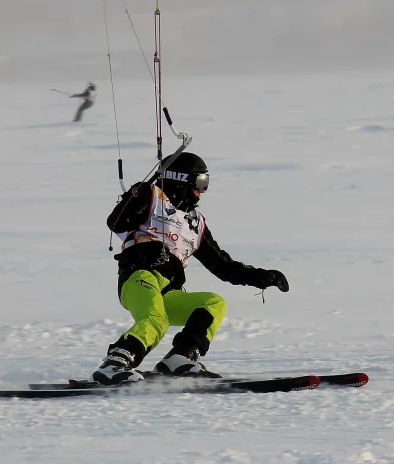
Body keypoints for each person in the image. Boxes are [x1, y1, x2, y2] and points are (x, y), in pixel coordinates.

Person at [95, 152, 290, 385]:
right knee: (155, 320)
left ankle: (180, 358)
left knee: (213, 303)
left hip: (168, 291)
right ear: (179, 179)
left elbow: (222, 265)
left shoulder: (194, 224)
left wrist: (260, 277)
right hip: (139, 279)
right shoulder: (151, 197)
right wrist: (139, 194)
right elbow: (116, 222)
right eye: (200, 183)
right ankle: (114, 364)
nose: (202, 191)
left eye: (205, 183)